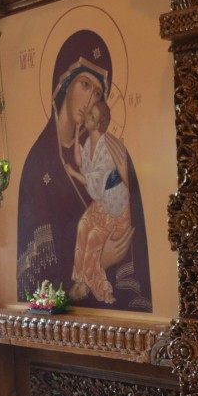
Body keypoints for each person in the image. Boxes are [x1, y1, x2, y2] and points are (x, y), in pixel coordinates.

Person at [16, 29, 151, 311]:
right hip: (62, 318)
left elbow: (131, 229)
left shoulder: (111, 151)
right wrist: (99, 260)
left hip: (117, 317)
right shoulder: (38, 164)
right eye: (85, 85)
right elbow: (36, 280)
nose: (90, 100)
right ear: (64, 83)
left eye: (98, 93)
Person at [64, 99, 131, 304]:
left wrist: (73, 174)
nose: (88, 119)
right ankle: (80, 280)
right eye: (89, 115)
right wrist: (77, 132)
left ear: (99, 123)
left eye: (92, 118)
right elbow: (80, 161)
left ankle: (92, 287)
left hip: (116, 207)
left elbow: (94, 182)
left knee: (93, 236)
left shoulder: (107, 147)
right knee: (82, 225)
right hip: (102, 202)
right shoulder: (88, 143)